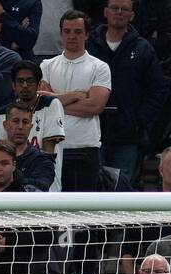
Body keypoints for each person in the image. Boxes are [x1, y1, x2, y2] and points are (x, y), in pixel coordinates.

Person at [86, 0, 169, 190]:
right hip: (91, 130)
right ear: (105, 12)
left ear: (132, 15)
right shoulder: (89, 45)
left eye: (124, 9)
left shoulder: (143, 48)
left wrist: (139, 119)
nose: (119, 12)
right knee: (91, 188)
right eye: (114, 8)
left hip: (128, 134)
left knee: (122, 189)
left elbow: (159, 89)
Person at [39, 10, 111, 191]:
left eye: (78, 31)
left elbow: (95, 105)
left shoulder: (100, 67)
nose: (72, 36)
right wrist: (77, 95)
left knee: (80, 211)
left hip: (84, 146)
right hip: (50, 146)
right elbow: (40, 101)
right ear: (61, 33)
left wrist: (55, 100)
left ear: (86, 34)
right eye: (67, 31)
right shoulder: (46, 65)